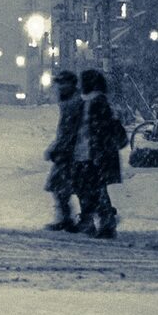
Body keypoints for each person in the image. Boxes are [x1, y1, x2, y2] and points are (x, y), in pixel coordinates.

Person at [73, 69, 125, 238]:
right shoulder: (99, 102)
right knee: (94, 188)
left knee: (91, 188)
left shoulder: (95, 103)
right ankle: (102, 221)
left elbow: (94, 130)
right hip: (93, 153)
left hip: (90, 153)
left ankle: (100, 222)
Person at [42, 70, 84, 231]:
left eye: (62, 83)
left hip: (71, 152)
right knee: (66, 186)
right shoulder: (70, 101)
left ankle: (70, 218)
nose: (59, 87)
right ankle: (68, 217)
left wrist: (57, 148)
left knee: (63, 185)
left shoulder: (73, 104)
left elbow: (69, 131)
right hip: (70, 151)